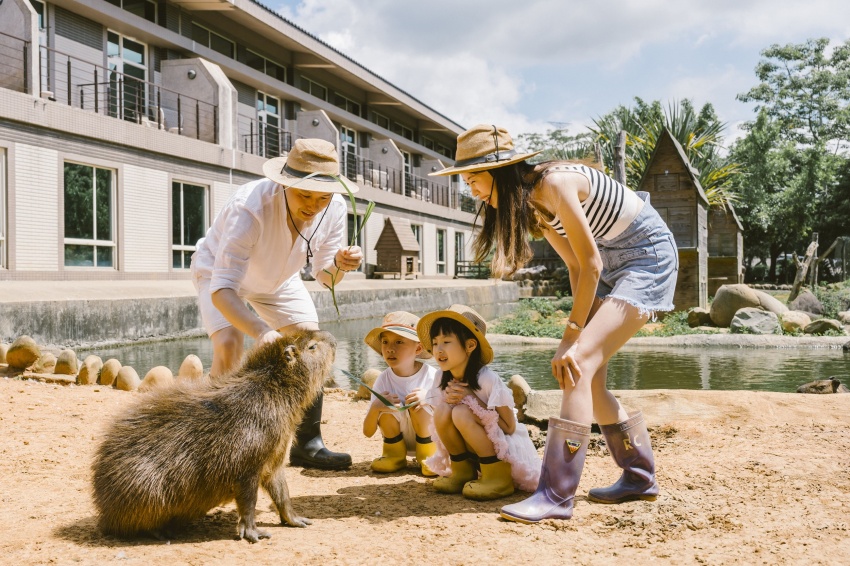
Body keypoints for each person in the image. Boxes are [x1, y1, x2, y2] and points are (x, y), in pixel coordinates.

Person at [430, 125, 678, 522]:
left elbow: (593, 264)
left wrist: (570, 339)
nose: (471, 191)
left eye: (474, 180)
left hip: (647, 259)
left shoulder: (555, 184)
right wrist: (575, 334)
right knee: (589, 376)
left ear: (499, 172)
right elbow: (578, 267)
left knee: (576, 366)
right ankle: (638, 476)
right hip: (615, 265)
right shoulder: (533, 205)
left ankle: (556, 495)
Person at [190, 138, 363, 470]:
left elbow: (326, 279)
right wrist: (261, 330)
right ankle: (210, 440)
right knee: (228, 342)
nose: (313, 206)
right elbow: (223, 289)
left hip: (278, 279)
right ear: (285, 183)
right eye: (304, 195)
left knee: (312, 343)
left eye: (322, 197)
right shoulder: (250, 207)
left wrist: (341, 263)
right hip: (219, 273)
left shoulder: (335, 206)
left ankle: (306, 444)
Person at [416, 304, 540, 501]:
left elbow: (509, 427)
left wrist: (471, 399)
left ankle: (497, 477)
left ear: (470, 345)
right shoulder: (441, 377)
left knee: (461, 412)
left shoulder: (487, 380)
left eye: (447, 341)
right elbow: (441, 418)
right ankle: (462, 471)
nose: (438, 350)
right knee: (443, 410)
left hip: (503, 452)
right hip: (473, 448)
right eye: (435, 342)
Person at [362, 311, 439, 475]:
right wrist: (376, 407)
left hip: (429, 439)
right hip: (398, 440)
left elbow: (449, 416)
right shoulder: (383, 380)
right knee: (385, 405)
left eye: (399, 342)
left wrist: (430, 398)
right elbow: (367, 432)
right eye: (385, 342)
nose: (390, 349)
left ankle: (428, 456)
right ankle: (394, 456)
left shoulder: (432, 375)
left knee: (421, 401)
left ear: (418, 348)